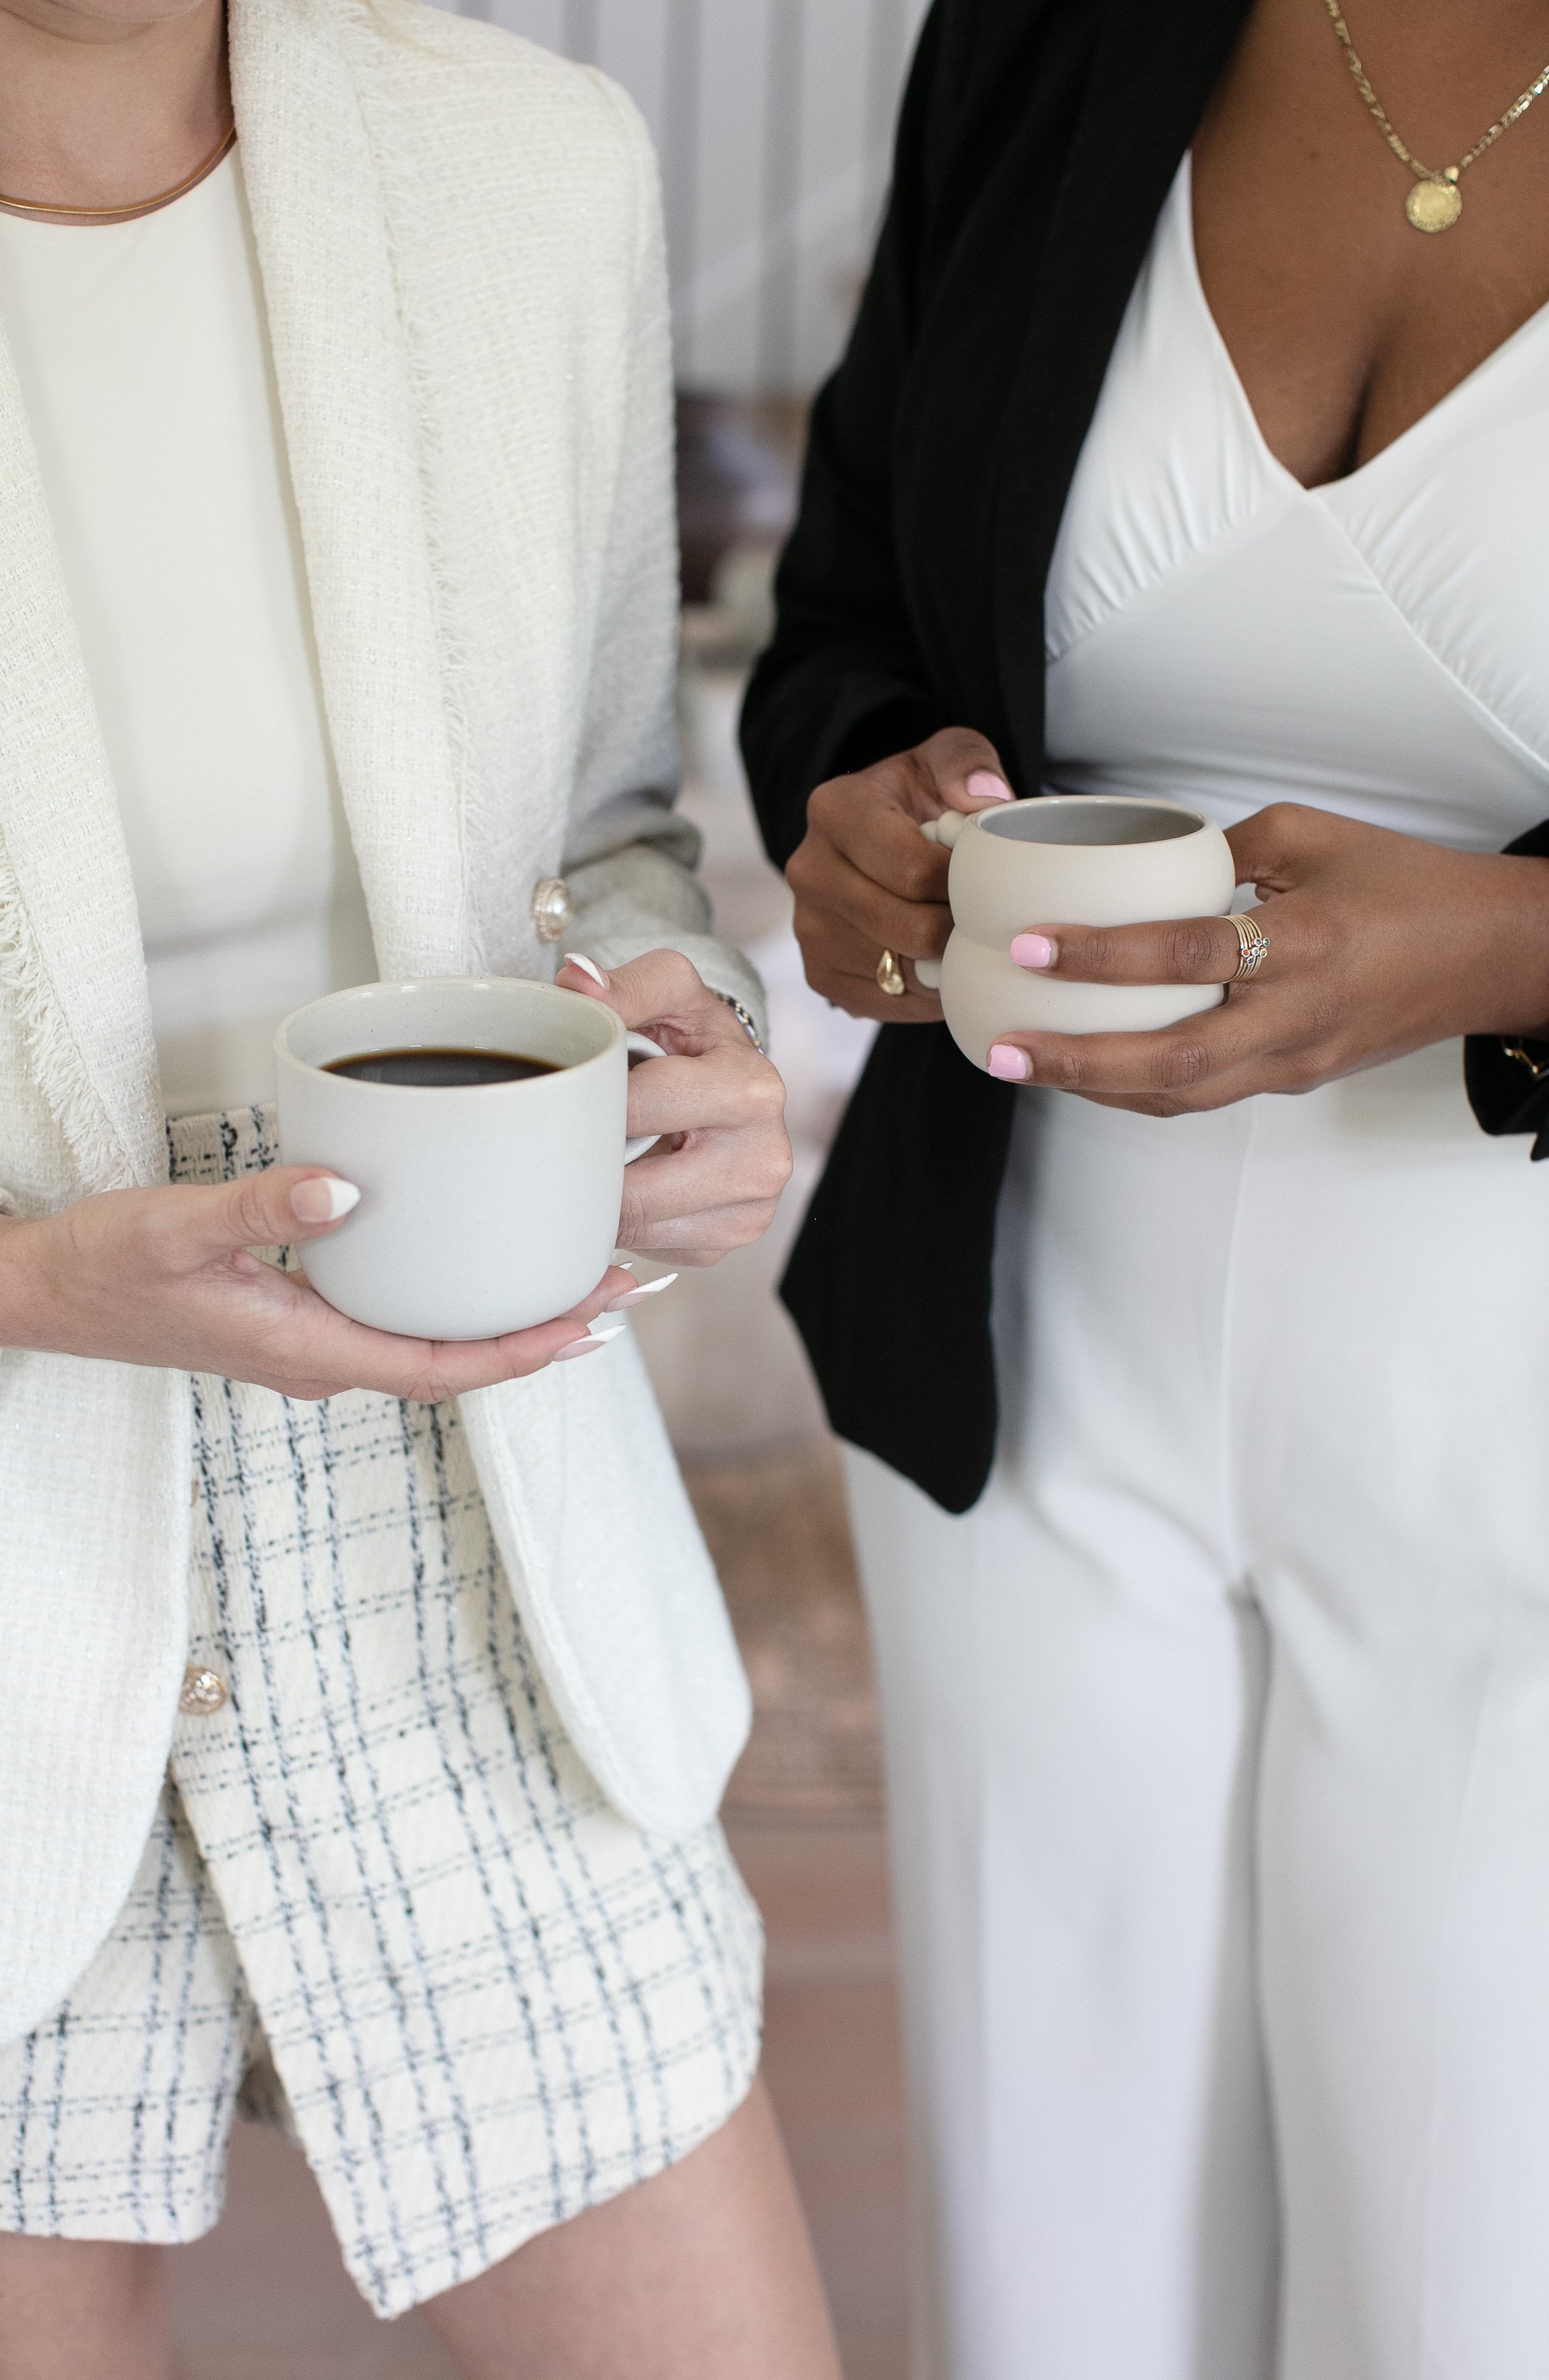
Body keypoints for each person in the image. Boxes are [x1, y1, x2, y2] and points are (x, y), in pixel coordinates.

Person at [0, 0, 843, 2373]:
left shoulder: (527, 169)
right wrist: (29, 1279)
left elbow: (597, 834)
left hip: (468, 1517)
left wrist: (693, 1046)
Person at [741, 1, 1549, 2374]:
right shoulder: (1043, 24)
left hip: (1517, 1399)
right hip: (1026, 1338)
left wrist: (1510, 941)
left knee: (1470, 2275)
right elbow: (853, 612)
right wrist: (867, 815)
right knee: (1049, 2265)